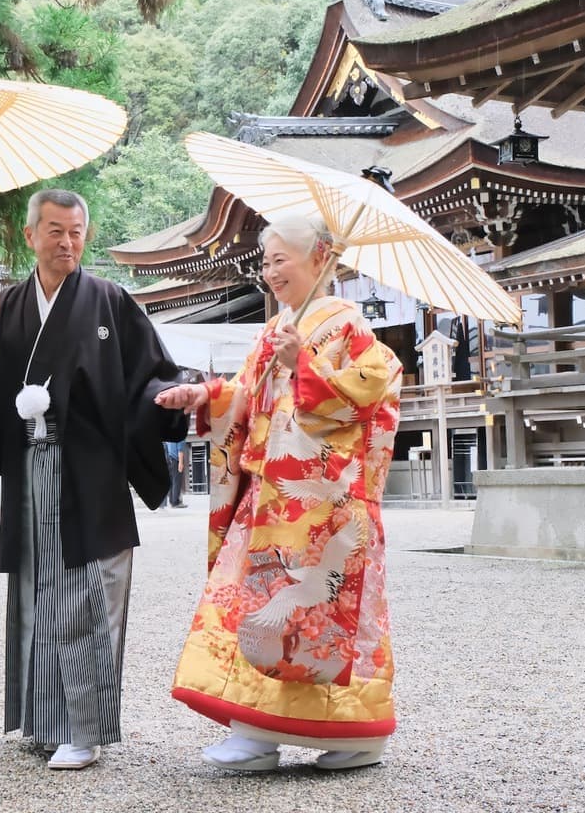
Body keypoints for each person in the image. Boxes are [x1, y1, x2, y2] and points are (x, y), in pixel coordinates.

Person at [0, 188, 188, 771]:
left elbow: (151, 374)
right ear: (30, 235)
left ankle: (84, 730)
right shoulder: (6, 303)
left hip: (91, 469)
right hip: (31, 469)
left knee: (89, 591)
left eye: (76, 231)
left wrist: (169, 399)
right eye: (55, 231)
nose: (67, 242)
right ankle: (45, 721)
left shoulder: (109, 299)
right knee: (39, 591)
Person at [155, 213, 403, 773]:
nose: (269, 272)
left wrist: (305, 365)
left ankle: (354, 734)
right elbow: (246, 394)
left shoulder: (349, 326)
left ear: (321, 258)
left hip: (322, 508)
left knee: (313, 614)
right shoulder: (275, 328)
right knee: (256, 607)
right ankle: (256, 731)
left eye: (280, 260)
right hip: (268, 494)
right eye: (265, 262)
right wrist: (205, 395)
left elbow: (373, 394)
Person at [164, 439, 189, 508]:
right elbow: (180, 450)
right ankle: (175, 502)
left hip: (168, 459)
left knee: (172, 481)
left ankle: (172, 501)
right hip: (175, 459)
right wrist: (180, 463)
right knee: (177, 481)